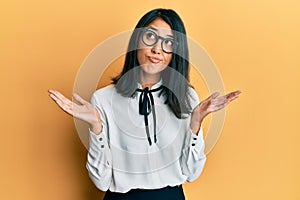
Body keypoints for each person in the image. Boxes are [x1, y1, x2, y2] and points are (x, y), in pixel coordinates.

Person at [48, 8, 241, 200]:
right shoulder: (103, 99)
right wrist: (96, 126)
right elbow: (101, 181)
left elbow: (191, 173)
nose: (157, 49)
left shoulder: (187, 98)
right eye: (150, 36)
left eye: (168, 42)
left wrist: (195, 123)